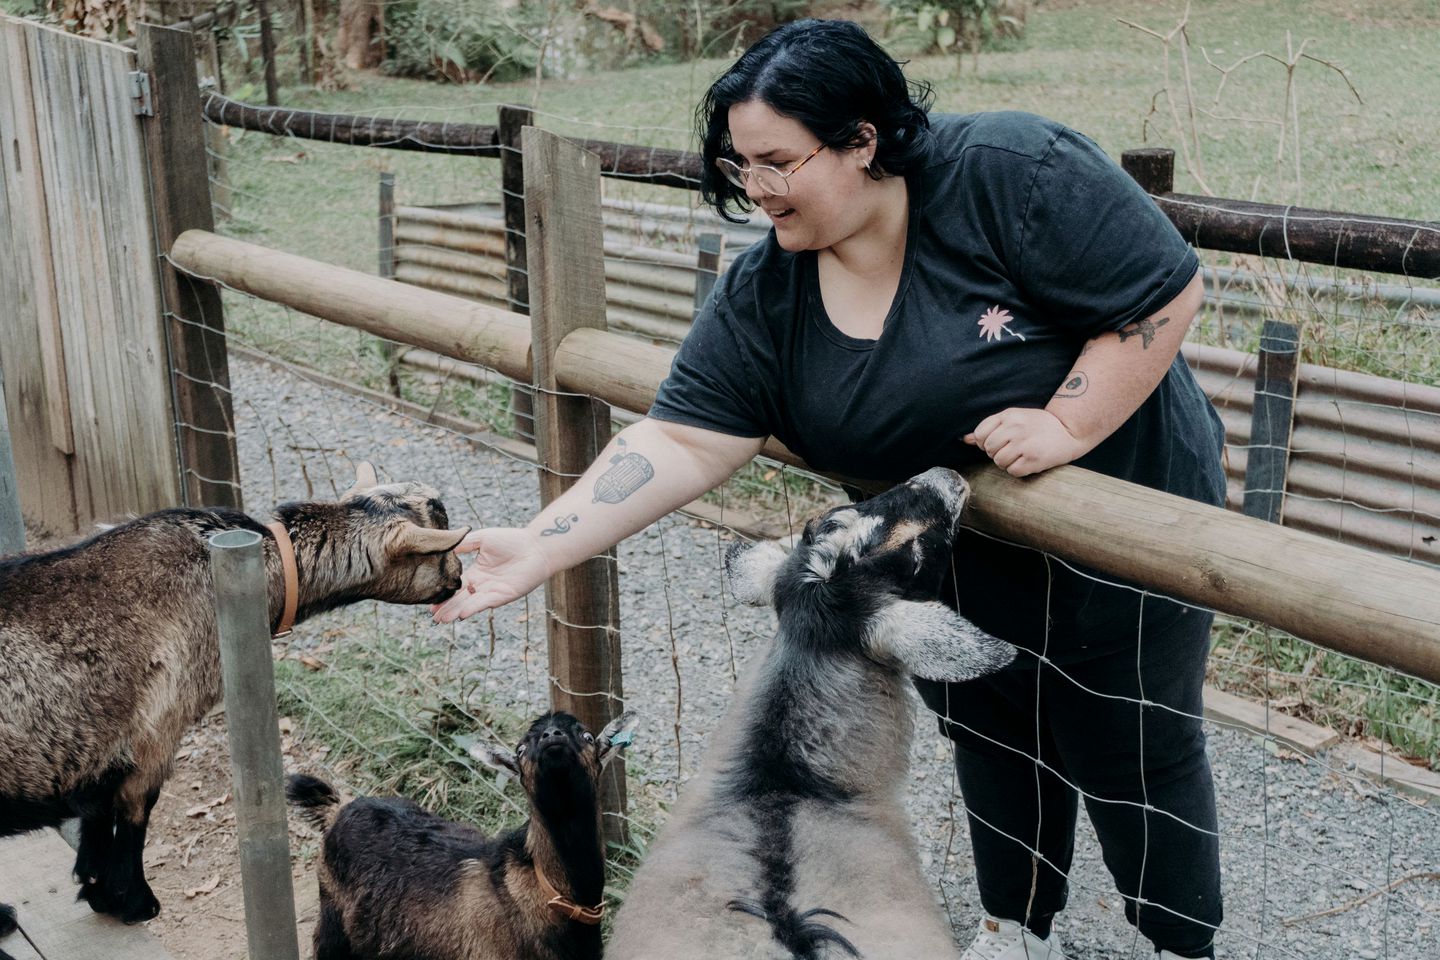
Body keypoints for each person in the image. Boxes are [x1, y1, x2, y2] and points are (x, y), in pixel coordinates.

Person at [434, 18, 1225, 960]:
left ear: (864, 140)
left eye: (777, 161)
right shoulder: (770, 292)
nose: (754, 188)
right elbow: (683, 435)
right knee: (991, 733)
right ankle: (1017, 931)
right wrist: (544, 540)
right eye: (739, 164)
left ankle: (1179, 946)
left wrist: (1068, 424)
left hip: (1119, 539)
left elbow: (1162, 293)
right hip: (941, 561)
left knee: (1133, 750)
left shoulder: (1015, 173)